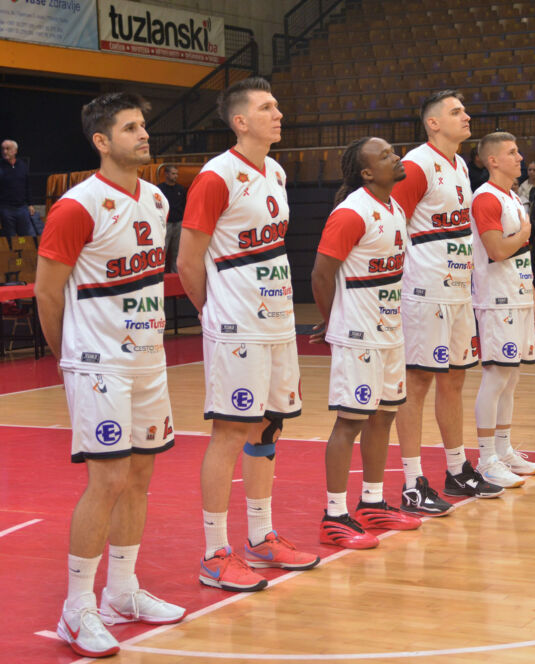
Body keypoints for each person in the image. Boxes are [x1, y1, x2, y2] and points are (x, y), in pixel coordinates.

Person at [34, 92, 185, 658]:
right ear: (101, 141)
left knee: (140, 478)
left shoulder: (156, 199)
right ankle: (77, 608)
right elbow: (48, 292)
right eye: (129, 128)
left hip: (147, 358)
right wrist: (69, 357)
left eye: (143, 125)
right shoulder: (78, 206)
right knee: (108, 481)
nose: (143, 135)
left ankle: (122, 591)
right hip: (98, 363)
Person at [178, 77, 319, 593]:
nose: (278, 113)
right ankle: (215, 552)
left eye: (276, 105)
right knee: (230, 431)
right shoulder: (216, 176)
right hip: (237, 324)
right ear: (240, 122)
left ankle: (261, 538)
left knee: (268, 427)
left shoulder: (275, 171)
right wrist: (214, 312)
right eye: (266, 107)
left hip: (278, 321)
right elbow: (188, 260)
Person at [390, 90, 504, 515]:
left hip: (457, 289)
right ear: (433, 122)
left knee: (455, 379)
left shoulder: (459, 165)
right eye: (457, 112)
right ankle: (412, 482)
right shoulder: (416, 164)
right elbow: (393, 224)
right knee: (417, 382)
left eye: (465, 110)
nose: (466, 116)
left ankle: (457, 469)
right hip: (424, 291)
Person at [309, 137, 423, 548]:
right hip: (359, 335)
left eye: (394, 151)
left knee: (384, 416)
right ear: (367, 173)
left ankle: (372, 503)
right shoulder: (351, 212)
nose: (397, 156)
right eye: (386, 155)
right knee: (351, 421)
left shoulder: (394, 208)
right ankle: (334, 514)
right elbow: (321, 275)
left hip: (390, 331)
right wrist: (334, 322)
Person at [469, 131, 535, 487]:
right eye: (512, 152)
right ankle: (486, 458)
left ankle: (504, 450)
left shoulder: (513, 197)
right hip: (496, 299)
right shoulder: (485, 197)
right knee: (497, 376)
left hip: (518, 295)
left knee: (511, 378)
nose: (520, 158)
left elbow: (520, 255)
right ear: (493, 160)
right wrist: (525, 233)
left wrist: (533, 298)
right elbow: (498, 250)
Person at [0, 139, 38, 242]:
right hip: (6, 209)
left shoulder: (22, 166)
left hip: (22, 208)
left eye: (8, 149)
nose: (4, 151)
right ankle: (14, 252)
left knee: (26, 236)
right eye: (3, 149)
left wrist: (30, 204)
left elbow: (27, 185)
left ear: (15, 151)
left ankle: (24, 251)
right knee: (10, 238)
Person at [157, 165, 186, 272]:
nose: (176, 176)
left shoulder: (181, 189)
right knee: (163, 249)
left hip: (179, 222)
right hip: (165, 223)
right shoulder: (159, 189)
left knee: (177, 250)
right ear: (166, 174)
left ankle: (175, 274)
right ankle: (160, 273)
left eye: (177, 174)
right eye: (173, 173)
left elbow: (184, 205)